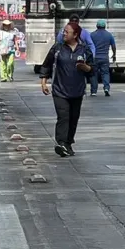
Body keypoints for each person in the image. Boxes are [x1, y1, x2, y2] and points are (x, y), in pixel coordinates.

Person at [40, 21, 93, 157]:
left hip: (77, 90)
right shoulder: (57, 48)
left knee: (73, 118)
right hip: (59, 90)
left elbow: (92, 69)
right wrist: (43, 82)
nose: (64, 34)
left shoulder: (84, 49)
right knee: (63, 117)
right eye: (64, 31)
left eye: (67, 32)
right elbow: (46, 64)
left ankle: (68, 143)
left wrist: (85, 67)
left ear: (75, 35)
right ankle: (61, 143)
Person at [89, 20, 116, 97]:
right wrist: (114, 55)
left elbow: (88, 45)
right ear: (105, 26)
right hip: (105, 58)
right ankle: (106, 88)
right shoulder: (109, 35)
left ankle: (94, 91)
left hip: (94, 58)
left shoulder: (92, 35)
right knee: (105, 73)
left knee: (93, 74)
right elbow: (113, 46)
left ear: (97, 26)